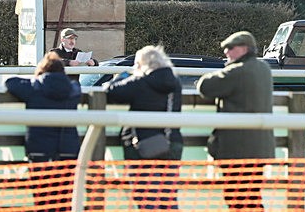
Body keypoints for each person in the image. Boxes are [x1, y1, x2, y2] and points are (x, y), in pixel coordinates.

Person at [196, 31, 274, 210]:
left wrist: (224, 69)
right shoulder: (264, 69)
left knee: (236, 198)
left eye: (230, 48)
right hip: (259, 148)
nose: (226, 52)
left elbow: (205, 86)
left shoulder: (238, 71)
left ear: (244, 49)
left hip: (238, 149)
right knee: (252, 196)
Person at [105, 45, 183, 209]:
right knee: (168, 201)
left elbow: (111, 91)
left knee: (147, 201)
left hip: (143, 145)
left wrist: (122, 76)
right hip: (172, 143)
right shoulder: (175, 83)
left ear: (142, 64)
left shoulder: (141, 82)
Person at [5, 52, 81, 211]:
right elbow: (76, 86)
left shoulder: (34, 87)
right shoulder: (73, 89)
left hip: (40, 150)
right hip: (68, 150)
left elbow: (10, 82)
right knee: (65, 200)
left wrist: (35, 78)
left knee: (42, 199)